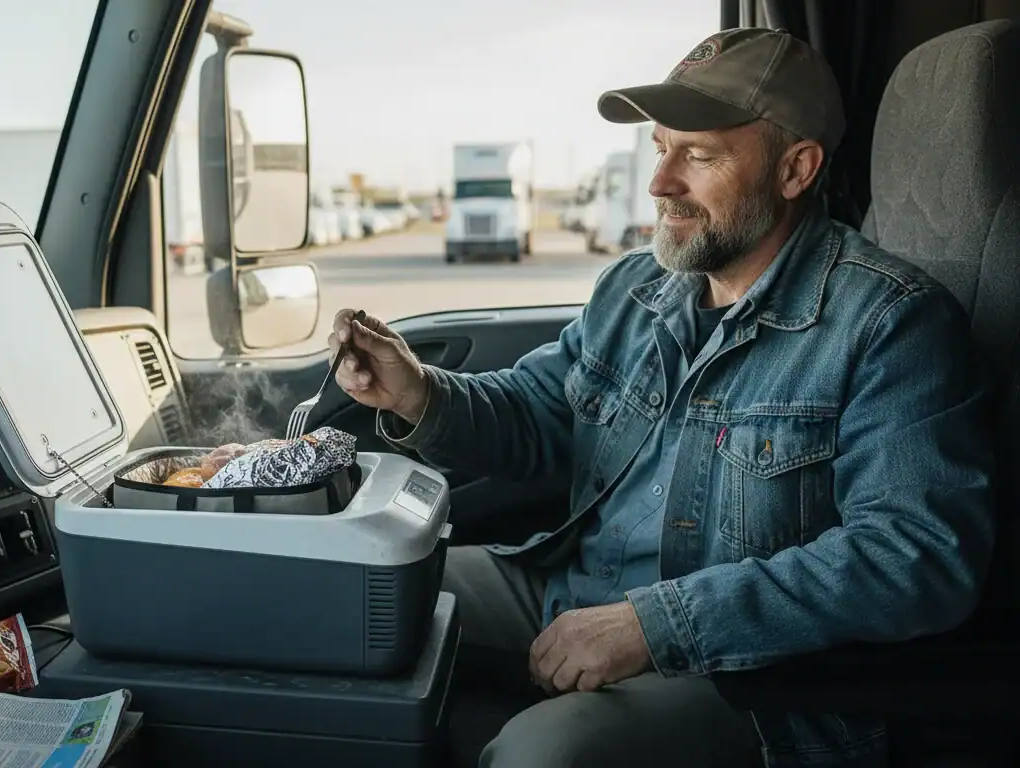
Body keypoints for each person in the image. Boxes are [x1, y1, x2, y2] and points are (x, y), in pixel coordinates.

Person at [329, 27, 995, 768]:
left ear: (796, 169)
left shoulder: (888, 323)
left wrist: (654, 624)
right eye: (660, 148)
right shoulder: (636, 290)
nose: (660, 183)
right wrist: (418, 391)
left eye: (699, 156)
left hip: (740, 675)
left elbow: (913, 558)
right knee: (346, 589)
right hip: (570, 588)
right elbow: (544, 412)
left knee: (546, 758)